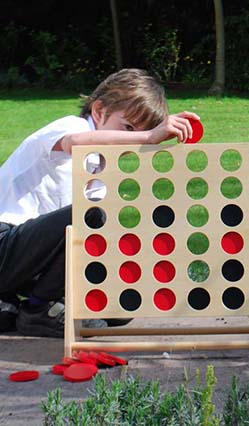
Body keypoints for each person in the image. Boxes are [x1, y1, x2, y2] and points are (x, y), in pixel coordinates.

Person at [0, 68, 200, 337]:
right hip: (5, 241)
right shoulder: (73, 126)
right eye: (127, 128)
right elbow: (75, 143)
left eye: (139, 133)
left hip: (30, 259)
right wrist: (148, 137)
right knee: (91, 214)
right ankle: (38, 309)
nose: (130, 141)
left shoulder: (99, 167)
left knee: (120, 310)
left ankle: (28, 300)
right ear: (98, 111)